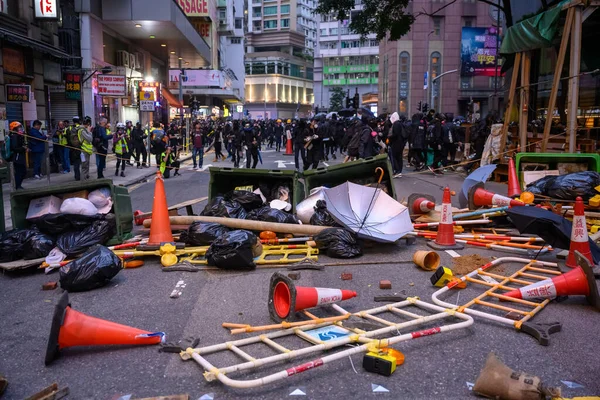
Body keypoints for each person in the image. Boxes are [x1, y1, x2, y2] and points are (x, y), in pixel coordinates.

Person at [9, 122, 28, 189]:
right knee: (20, 172)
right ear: (14, 129)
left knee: (23, 171)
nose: (20, 129)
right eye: (19, 127)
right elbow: (15, 148)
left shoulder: (18, 136)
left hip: (20, 156)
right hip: (17, 157)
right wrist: (23, 148)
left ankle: (18, 185)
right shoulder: (14, 136)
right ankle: (17, 186)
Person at [389, 112, 408, 178]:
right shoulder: (401, 124)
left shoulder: (396, 124)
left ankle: (397, 171)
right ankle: (399, 171)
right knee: (399, 157)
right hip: (401, 143)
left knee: (394, 157)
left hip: (396, 143)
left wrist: (389, 137)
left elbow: (395, 134)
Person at [79, 116, 94, 181]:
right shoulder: (82, 130)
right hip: (84, 151)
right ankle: (83, 181)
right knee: (84, 167)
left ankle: (86, 178)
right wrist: (89, 131)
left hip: (87, 151)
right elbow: (90, 139)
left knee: (86, 166)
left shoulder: (84, 130)